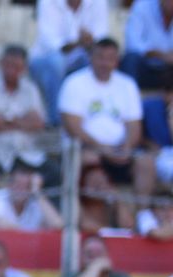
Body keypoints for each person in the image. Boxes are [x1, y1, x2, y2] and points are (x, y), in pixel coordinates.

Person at [60, 39, 144, 190]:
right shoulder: (74, 83)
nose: (105, 63)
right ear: (91, 58)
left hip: (120, 151)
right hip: (87, 149)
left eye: (110, 58)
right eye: (100, 57)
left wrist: (127, 148)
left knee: (146, 163)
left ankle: (142, 206)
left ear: (117, 61)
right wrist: (102, 148)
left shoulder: (128, 85)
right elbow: (72, 127)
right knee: (89, 159)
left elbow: (134, 125)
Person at [0, 46, 52, 196]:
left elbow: (39, 124)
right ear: (0, 63)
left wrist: (4, 119)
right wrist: (22, 120)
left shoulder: (30, 89)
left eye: (16, 67)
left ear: (24, 68)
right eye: (7, 65)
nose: (11, 70)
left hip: (24, 153)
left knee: (54, 173)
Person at [29, 0, 109, 124]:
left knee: (100, 62)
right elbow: (51, 43)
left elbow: (101, 38)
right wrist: (79, 42)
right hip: (45, 59)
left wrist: (89, 41)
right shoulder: (47, 2)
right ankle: (56, 119)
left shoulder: (99, 2)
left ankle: (91, 119)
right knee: (57, 63)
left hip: (83, 55)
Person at [0, 161, 61, 231]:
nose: (20, 191)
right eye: (16, 184)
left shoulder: (36, 204)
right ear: (8, 184)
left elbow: (57, 226)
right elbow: (6, 228)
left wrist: (37, 192)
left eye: (25, 186)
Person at [61, 235, 148, 277]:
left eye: (99, 254)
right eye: (90, 255)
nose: (95, 260)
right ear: (81, 257)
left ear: (107, 256)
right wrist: (96, 266)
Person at [124, 0, 173, 91]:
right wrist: (160, 55)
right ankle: (129, 95)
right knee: (131, 59)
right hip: (146, 66)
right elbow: (132, 43)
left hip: (168, 70)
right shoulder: (142, 6)